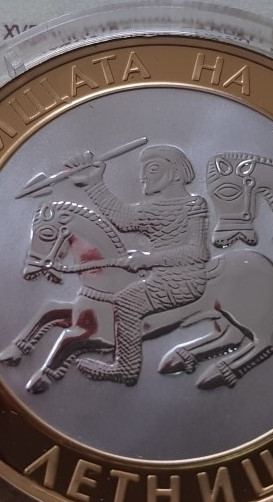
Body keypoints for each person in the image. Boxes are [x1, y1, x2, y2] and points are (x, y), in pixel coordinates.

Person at [64, 144, 210, 385]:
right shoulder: (153, 208)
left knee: (127, 301)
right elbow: (124, 219)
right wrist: (93, 183)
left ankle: (126, 369)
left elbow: (198, 251)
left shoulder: (193, 206)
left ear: (175, 173)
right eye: (143, 169)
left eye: (152, 169)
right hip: (158, 276)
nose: (142, 176)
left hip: (184, 281)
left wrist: (147, 259)